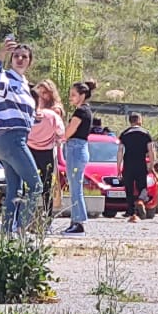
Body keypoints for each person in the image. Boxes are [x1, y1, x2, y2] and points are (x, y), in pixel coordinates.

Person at [0, 38, 42, 234]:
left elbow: (19, 110)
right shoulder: (7, 78)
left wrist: (35, 117)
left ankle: (6, 232)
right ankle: (20, 228)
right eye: (16, 56)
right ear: (11, 59)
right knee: (36, 186)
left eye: (24, 57)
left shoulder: (24, 84)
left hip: (9, 138)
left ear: (30, 61)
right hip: (12, 138)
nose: (20, 59)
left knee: (15, 189)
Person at [60, 81, 98, 235]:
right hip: (79, 148)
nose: (71, 98)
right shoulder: (86, 111)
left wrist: (60, 136)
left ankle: (79, 222)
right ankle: (75, 220)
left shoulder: (80, 112)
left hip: (76, 148)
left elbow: (69, 132)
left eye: (74, 95)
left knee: (75, 187)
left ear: (82, 96)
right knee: (75, 186)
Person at [29, 82, 63, 215]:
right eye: (40, 94)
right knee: (44, 183)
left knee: (42, 183)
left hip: (41, 149)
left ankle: (42, 213)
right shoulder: (47, 113)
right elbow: (61, 132)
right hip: (44, 149)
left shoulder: (54, 111)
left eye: (45, 93)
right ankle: (42, 213)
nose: (42, 97)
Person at [118, 112, 155, 222]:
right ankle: (140, 200)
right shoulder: (146, 134)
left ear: (130, 121)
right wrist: (152, 164)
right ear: (139, 120)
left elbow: (120, 151)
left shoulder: (124, 134)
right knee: (142, 187)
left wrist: (118, 167)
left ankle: (130, 211)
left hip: (128, 164)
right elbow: (151, 150)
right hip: (140, 163)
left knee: (128, 188)